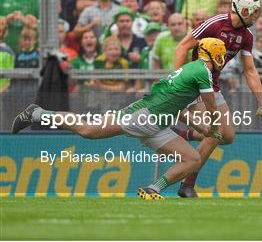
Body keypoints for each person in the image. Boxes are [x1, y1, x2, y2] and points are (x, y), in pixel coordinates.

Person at [11, 38, 228, 200]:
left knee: (192, 159)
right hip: (144, 115)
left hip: (158, 125)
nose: (224, 59)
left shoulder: (192, 70)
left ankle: (153, 189)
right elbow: (210, 105)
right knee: (88, 131)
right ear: (215, 54)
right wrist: (214, 127)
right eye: (223, 54)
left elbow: (180, 111)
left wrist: (207, 131)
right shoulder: (202, 71)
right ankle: (36, 113)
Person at [173, 0, 262, 198]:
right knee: (214, 133)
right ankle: (187, 185)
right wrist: (176, 81)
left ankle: (184, 134)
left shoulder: (246, 36)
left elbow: (250, 70)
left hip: (213, 86)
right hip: (194, 82)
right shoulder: (215, 24)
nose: (257, 17)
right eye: (254, 13)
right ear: (243, 10)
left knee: (227, 136)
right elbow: (182, 46)